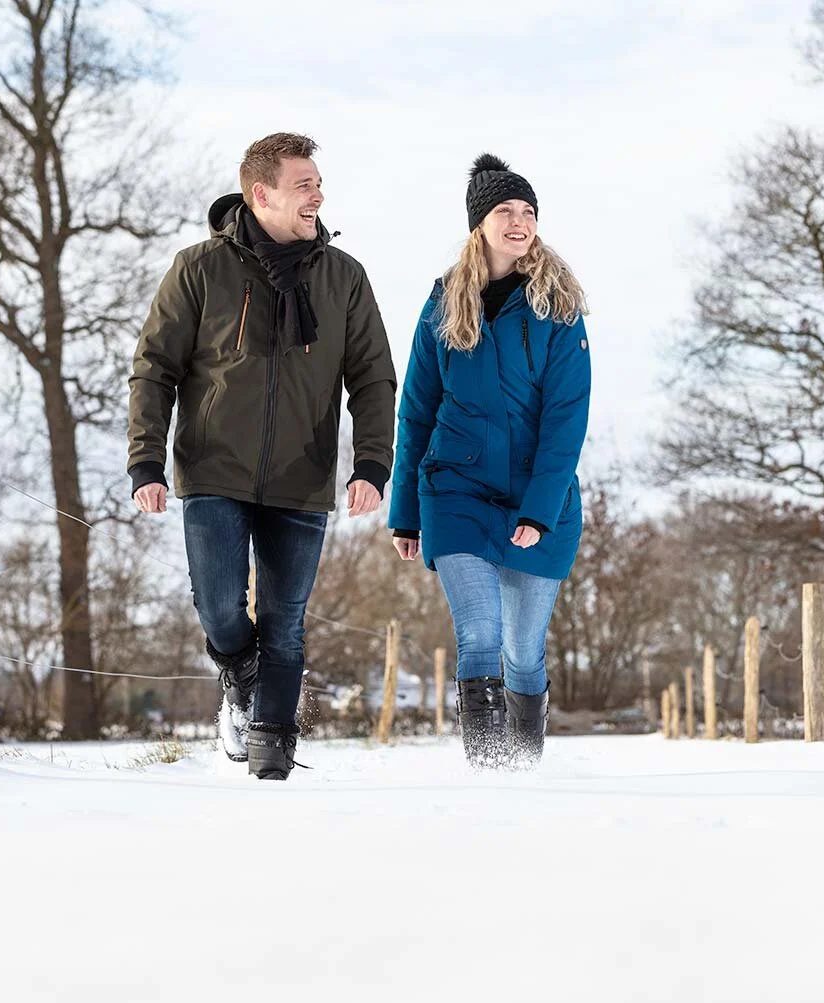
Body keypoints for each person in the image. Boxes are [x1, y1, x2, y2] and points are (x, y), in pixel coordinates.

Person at [128, 133, 396, 780]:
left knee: (285, 623)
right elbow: (154, 368)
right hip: (213, 468)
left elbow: (372, 377)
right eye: (304, 184)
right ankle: (239, 675)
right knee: (220, 608)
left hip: (301, 477)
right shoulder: (198, 269)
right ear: (261, 194)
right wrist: (146, 461)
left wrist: (370, 464)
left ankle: (271, 757)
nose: (318, 195)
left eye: (318, 183)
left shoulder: (343, 277)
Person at [389, 154, 591, 770]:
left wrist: (539, 510)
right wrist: (405, 512)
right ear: (480, 223)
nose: (519, 221)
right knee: (479, 633)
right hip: (455, 489)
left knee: (524, 652)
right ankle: (490, 773)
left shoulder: (559, 308)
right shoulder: (443, 303)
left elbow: (567, 419)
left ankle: (524, 768)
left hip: (538, 495)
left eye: (528, 211)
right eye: (505, 210)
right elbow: (417, 409)